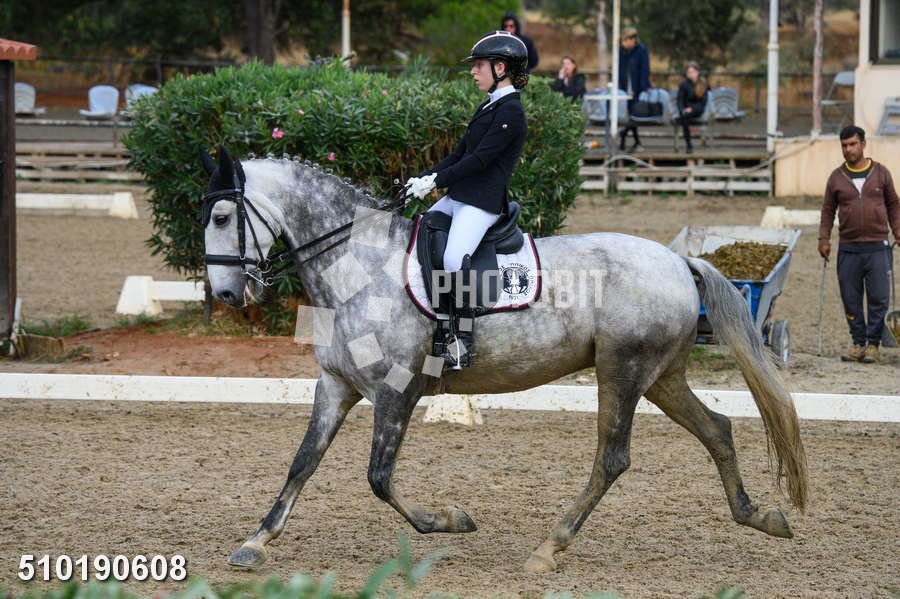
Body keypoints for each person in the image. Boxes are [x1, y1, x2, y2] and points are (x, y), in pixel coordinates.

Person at [404, 31, 529, 369]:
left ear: (500, 68)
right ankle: (430, 318)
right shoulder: (489, 105)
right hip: (459, 196)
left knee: (453, 260)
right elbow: (459, 154)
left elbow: (480, 161)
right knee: (419, 234)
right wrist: (423, 178)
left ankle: (461, 341)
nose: (473, 72)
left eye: (479, 66)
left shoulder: (511, 112)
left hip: (481, 202)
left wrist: (438, 181)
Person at [818, 125, 900, 364]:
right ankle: (858, 343)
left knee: (879, 298)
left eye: (853, 144)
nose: (848, 149)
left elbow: (893, 204)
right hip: (848, 247)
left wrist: (898, 230)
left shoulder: (881, 173)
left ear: (863, 144)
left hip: (878, 246)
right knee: (850, 298)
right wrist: (824, 239)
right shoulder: (836, 177)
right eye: (844, 145)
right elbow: (827, 210)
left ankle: (873, 345)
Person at [618, 27, 651, 153]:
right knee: (632, 115)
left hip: (637, 88)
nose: (623, 43)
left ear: (633, 40)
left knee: (634, 115)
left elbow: (645, 69)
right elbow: (619, 68)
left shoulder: (642, 50)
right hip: (624, 87)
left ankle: (625, 136)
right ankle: (633, 141)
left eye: (626, 40)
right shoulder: (621, 51)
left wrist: (645, 86)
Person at [675, 61, 708, 154]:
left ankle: (689, 145)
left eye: (693, 72)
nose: (691, 74)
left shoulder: (703, 84)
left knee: (685, 117)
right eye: (689, 72)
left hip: (698, 109)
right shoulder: (683, 85)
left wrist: (692, 108)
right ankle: (689, 145)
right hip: (686, 110)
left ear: (697, 72)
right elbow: (680, 100)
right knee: (685, 118)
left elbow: (703, 103)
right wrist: (682, 110)